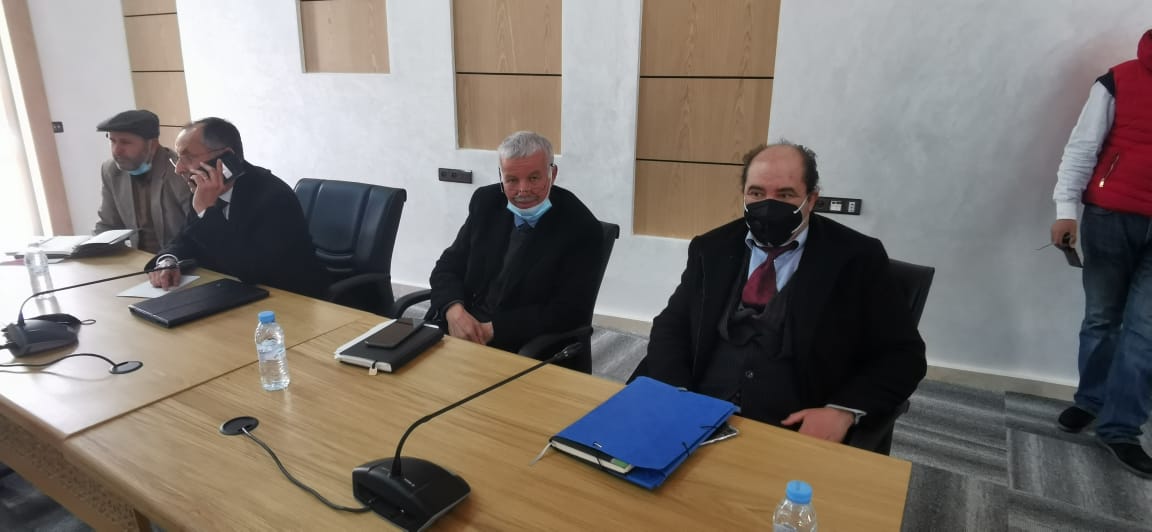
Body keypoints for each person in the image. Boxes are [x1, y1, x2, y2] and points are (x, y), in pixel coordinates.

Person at [632, 142, 926, 453]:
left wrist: (842, 412)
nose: (768, 205)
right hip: (698, 406)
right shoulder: (711, 247)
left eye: (785, 195)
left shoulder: (858, 258)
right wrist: (676, 391)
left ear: (811, 199)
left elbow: (903, 355)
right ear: (744, 195)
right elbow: (672, 324)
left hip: (794, 423)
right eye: (756, 193)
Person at [1050, 30, 1152, 478]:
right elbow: (1082, 147)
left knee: (1146, 330)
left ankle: (1121, 428)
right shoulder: (1117, 80)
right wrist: (1065, 210)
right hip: (1111, 218)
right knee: (1102, 318)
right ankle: (1091, 400)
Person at [428, 131, 603, 373]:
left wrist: (492, 329)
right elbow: (448, 266)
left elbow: (569, 310)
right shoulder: (486, 202)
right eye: (511, 180)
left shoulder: (581, 228)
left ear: (552, 174)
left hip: (519, 344)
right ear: (501, 176)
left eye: (534, 178)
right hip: (460, 327)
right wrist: (453, 310)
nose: (523, 190)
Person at [146, 117, 329, 298]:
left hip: (287, 299)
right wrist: (167, 260)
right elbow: (185, 240)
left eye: (188, 158)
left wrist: (206, 211)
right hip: (229, 293)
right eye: (178, 159)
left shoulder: (274, 197)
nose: (178, 169)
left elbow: (251, 271)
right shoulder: (206, 192)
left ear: (226, 157)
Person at [94, 109, 192, 253]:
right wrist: (90, 250)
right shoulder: (111, 170)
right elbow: (108, 225)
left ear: (152, 144)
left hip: (179, 258)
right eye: (112, 141)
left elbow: (195, 229)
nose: (116, 151)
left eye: (125, 142)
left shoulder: (179, 170)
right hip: (139, 260)